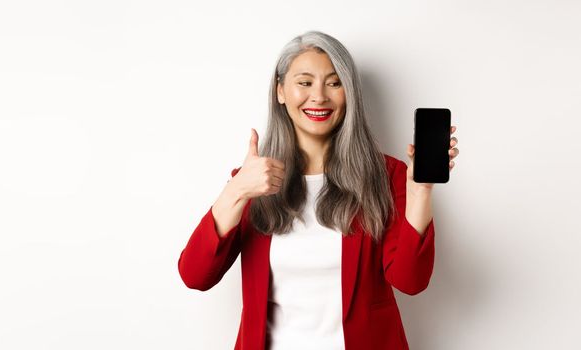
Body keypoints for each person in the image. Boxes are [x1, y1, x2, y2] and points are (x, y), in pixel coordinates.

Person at [177, 30, 460, 350]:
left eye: (335, 82)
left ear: (349, 93)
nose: (320, 96)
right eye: (305, 82)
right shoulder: (255, 178)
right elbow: (195, 275)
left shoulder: (387, 175)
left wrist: (420, 191)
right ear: (280, 91)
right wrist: (236, 191)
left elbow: (410, 281)